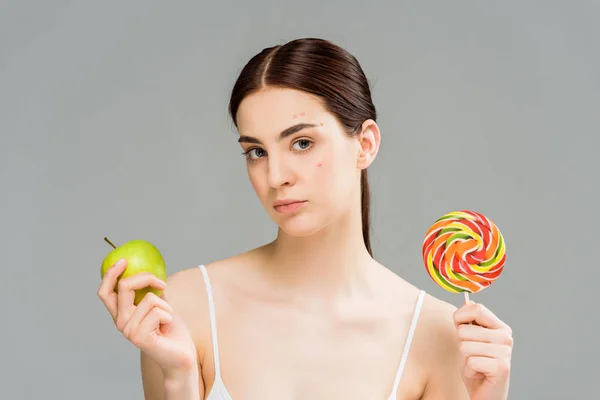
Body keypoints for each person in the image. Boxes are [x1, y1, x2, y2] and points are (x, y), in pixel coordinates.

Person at [98, 38, 514, 400]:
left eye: (301, 142)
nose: (275, 176)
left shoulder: (441, 335)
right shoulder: (185, 305)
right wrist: (179, 378)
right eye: (256, 152)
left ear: (365, 144)